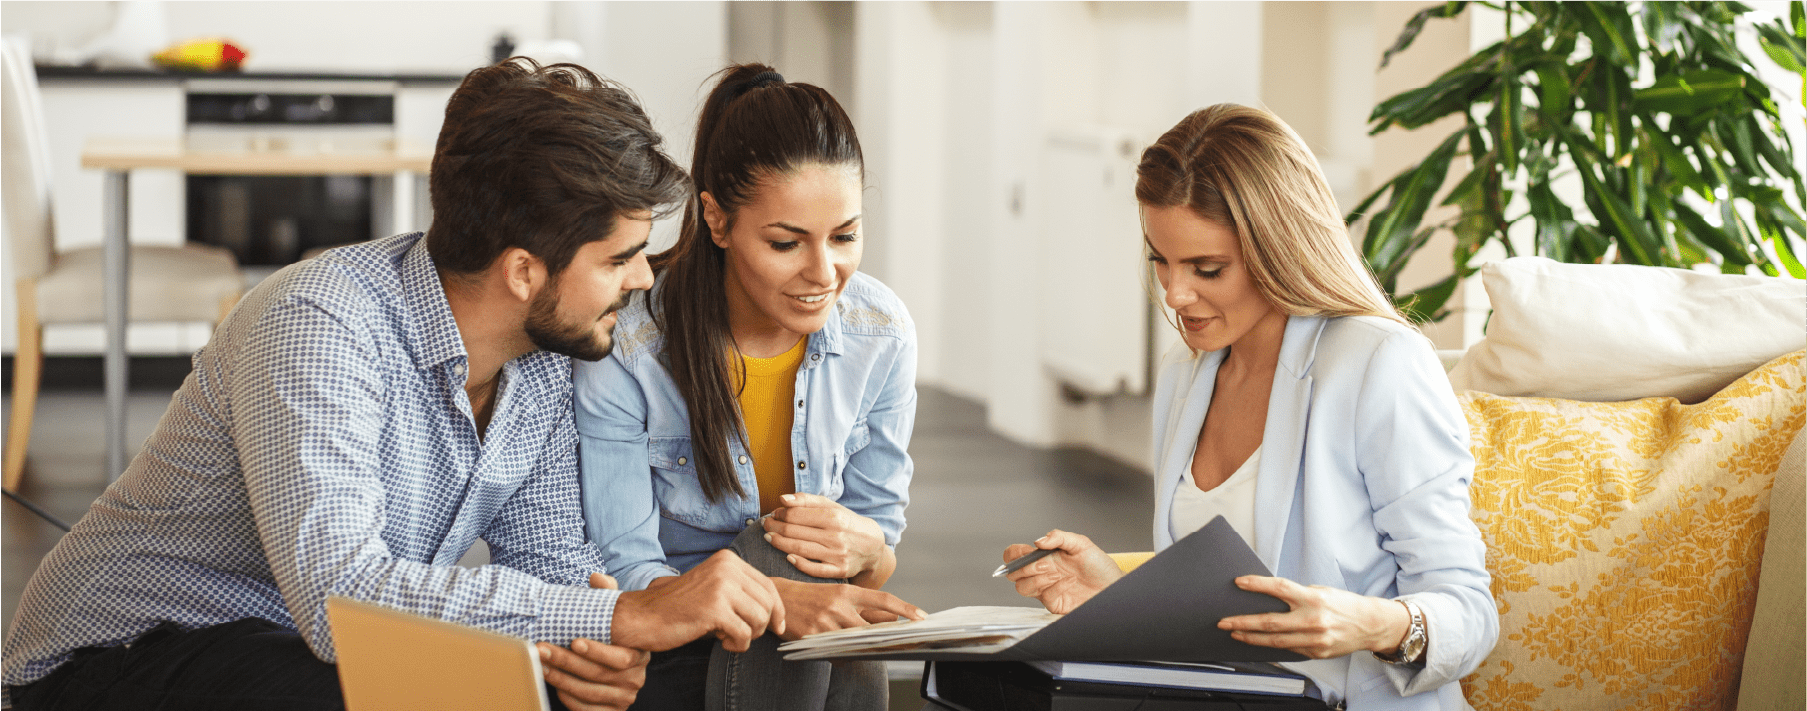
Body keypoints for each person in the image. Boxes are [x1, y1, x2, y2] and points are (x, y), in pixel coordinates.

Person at [0, 59, 787, 711]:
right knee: (406, 689)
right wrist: (618, 613)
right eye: (618, 258)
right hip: (117, 659)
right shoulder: (316, 323)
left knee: (673, 670)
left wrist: (595, 644)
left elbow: (551, 562)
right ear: (523, 270)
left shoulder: (551, 352)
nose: (642, 280)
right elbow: (340, 599)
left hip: (307, 647)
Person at [1001, 104, 1496, 709]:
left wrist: (1372, 624)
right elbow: (1227, 602)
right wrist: (1116, 591)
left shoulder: (1379, 364)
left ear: (1279, 248)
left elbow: (1469, 615)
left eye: (1207, 268)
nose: (1176, 294)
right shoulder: (1187, 373)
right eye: (1161, 259)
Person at [574, 64, 923, 711]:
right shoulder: (628, 344)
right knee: (777, 551)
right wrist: (779, 594)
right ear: (716, 218)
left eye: (845, 236)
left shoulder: (881, 331)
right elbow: (626, 569)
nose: (825, 272)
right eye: (787, 242)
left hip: (810, 643)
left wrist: (868, 550)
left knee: (818, 574)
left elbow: (878, 549)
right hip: (671, 647)